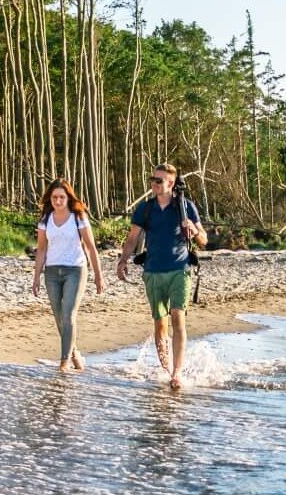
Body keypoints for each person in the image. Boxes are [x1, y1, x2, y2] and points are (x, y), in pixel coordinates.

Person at [117, 162, 207, 389]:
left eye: (159, 180)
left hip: (180, 269)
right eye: (153, 179)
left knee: (178, 317)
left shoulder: (185, 206)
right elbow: (132, 238)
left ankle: (177, 372)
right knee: (160, 324)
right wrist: (123, 260)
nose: (154, 184)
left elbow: (204, 240)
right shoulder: (145, 209)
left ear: (171, 183)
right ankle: (166, 368)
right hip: (153, 271)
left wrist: (194, 230)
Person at [31, 178, 104, 371]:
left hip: (75, 270)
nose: (58, 201)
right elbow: (41, 250)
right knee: (59, 317)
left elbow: (90, 247)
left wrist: (98, 275)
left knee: (69, 314)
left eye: (61, 197)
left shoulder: (78, 217)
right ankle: (74, 353)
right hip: (52, 272)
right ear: (50, 198)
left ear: (68, 197)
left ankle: (64, 361)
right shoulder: (45, 220)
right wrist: (36, 276)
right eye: (54, 197)